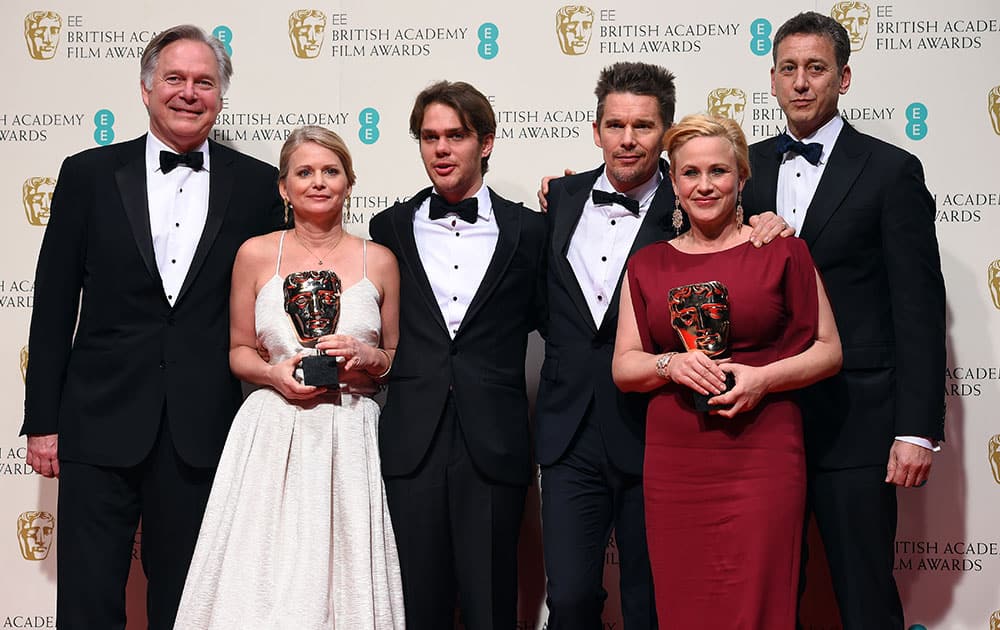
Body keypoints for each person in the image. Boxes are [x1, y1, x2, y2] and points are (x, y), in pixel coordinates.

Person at [20, 25, 283, 629]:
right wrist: (43, 423)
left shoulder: (255, 185)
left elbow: (268, 306)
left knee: (189, 601)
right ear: (145, 89)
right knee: (87, 597)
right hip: (96, 421)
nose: (189, 93)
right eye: (175, 79)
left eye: (204, 82)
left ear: (220, 95)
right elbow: (54, 303)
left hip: (201, 424)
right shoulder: (86, 174)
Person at [742, 12, 946, 628]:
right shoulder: (741, 170)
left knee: (863, 592)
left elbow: (918, 307)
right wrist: (567, 190)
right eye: (788, 69)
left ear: (844, 77)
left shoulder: (891, 170)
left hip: (859, 424)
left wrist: (916, 430)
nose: (801, 82)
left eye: (816, 69)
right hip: (761, 420)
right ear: (772, 81)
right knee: (770, 592)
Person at [612, 113, 842, 628]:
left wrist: (764, 378)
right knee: (684, 604)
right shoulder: (647, 264)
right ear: (672, 182)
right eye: (690, 173)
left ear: (741, 177)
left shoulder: (784, 251)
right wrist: (671, 364)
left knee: (758, 601)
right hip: (676, 461)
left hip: (763, 454)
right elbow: (626, 366)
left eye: (718, 171)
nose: (704, 184)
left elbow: (828, 350)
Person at [174, 125, 404, 628]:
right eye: (304, 172)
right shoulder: (254, 254)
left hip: (349, 430)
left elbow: (393, 360)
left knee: (343, 576)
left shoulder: (381, 259)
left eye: (330, 171)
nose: (318, 182)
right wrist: (273, 374)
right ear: (283, 187)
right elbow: (237, 350)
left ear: (349, 181)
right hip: (271, 430)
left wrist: (366, 355)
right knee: (261, 576)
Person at [368, 80, 546, 630]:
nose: (441, 149)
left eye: (455, 136)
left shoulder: (531, 230)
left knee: (492, 604)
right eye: (429, 137)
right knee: (416, 604)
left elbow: (565, 326)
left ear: (485, 143)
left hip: (493, 441)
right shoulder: (388, 228)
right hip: (410, 440)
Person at [536, 61, 675, 630]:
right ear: (595, 131)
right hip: (568, 431)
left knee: (650, 601)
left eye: (642, 126)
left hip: (656, 429)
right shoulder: (562, 198)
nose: (627, 139)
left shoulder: (692, 204)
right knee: (567, 599)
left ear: (665, 131)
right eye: (615, 125)